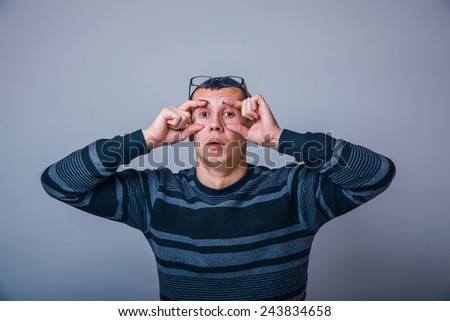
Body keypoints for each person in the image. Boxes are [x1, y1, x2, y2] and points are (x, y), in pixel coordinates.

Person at [41, 76, 396, 300]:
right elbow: (60, 183)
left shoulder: (295, 190)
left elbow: (376, 173)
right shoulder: (154, 194)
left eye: (228, 113)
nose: (214, 125)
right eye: (203, 114)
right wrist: (146, 139)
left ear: (249, 121)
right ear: (187, 126)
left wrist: (278, 138)